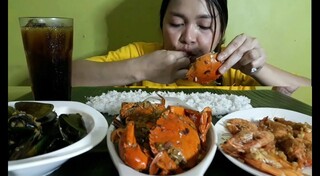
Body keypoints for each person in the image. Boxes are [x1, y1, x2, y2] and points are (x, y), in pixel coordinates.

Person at [72, 0, 311, 95]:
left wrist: (256, 68)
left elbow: (301, 86)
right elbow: (64, 75)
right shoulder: (141, 55)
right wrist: (139, 70)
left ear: (222, 34)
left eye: (204, 26)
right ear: (161, 26)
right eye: (176, 24)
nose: (188, 37)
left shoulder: (231, 67)